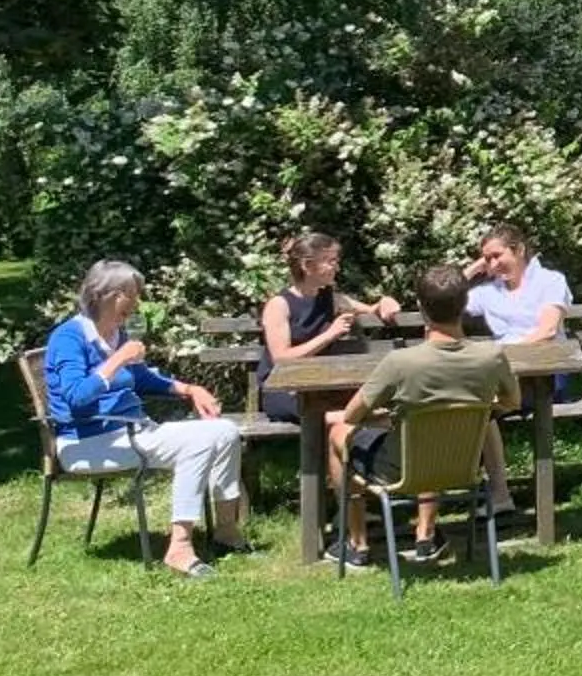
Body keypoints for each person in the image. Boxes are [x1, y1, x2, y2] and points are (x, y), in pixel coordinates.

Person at [43, 259, 248, 577]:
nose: (137, 303)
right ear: (109, 295)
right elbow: (77, 397)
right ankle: (180, 547)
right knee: (199, 441)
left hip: (130, 432)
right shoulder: (69, 337)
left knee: (224, 431)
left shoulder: (116, 333)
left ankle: (226, 531)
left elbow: (140, 378)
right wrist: (118, 359)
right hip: (87, 442)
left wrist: (189, 389)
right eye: (132, 295)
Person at [330, 263, 517, 568]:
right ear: (465, 305)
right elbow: (511, 401)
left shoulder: (400, 362)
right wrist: (474, 409)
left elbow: (352, 414)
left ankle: (357, 544)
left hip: (399, 469)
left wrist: (388, 416)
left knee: (337, 432)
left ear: (421, 308)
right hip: (463, 463)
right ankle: (426, 536)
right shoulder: (492, 355)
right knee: (433, 438)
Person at [256, 231, 400, 424]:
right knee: (347, 415)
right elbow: (281, 358)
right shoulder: (279, 305)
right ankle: (351, 419)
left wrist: (385, 302)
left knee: (359, 404)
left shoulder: (330, 298)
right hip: (284, 389)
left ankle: (352, 421)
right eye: (330, 261)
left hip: (320, 385)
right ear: (308, 266)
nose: (337, 268)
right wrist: (330, 334)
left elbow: (372, 309)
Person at [466, 221, 570, 345]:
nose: (493, 265)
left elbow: (548, 331)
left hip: (543, 355)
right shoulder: (488, 291)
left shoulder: (550, 281)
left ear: (520, 250)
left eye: (497, 255)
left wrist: (511, 353)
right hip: (505, 355)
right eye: (488, 259)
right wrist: (473, 268)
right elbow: (448, 298)